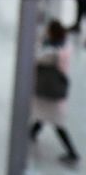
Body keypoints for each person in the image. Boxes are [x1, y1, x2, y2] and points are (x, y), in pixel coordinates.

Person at [31, 19, 79, 164]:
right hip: (56, 87)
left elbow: (37, 58)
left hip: (49, 89)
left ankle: (72, 152)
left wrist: (40, 40)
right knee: (43, 114)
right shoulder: (65, 46)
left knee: (56, 121)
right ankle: (32, 132)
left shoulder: (52, 52)